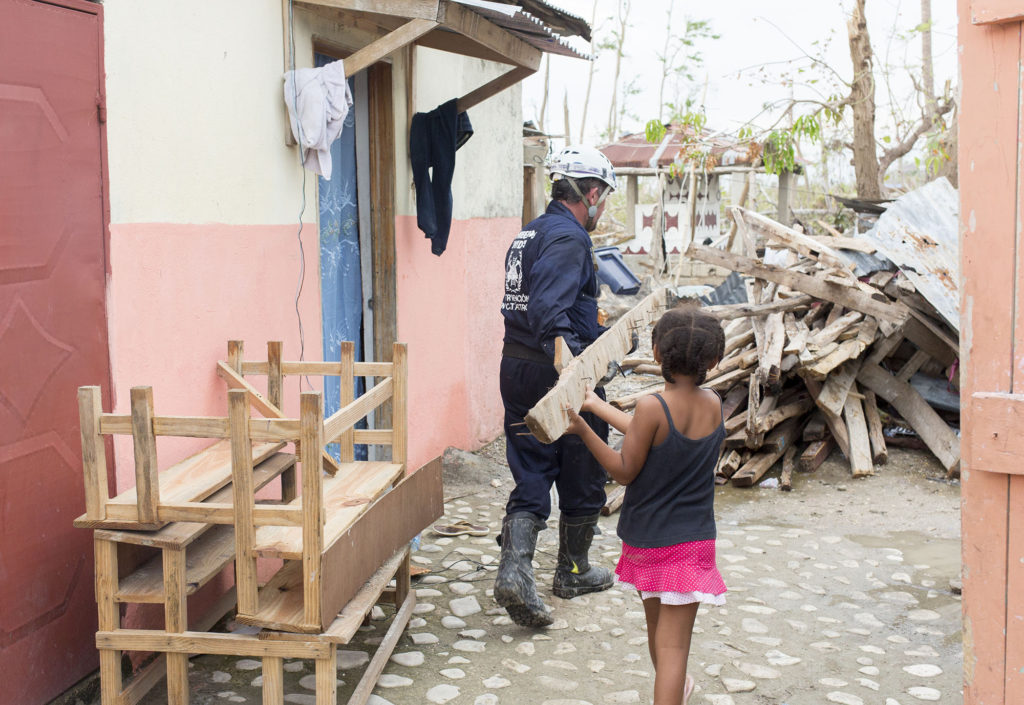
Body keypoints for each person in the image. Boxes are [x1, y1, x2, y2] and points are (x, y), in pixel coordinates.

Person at [565, 307, 728, 705]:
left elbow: (625, 469)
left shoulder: (653, 407)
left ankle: (675, 690)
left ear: (656, 352)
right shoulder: (713, 403)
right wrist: (597, 406)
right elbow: (652, 435)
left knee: (659, 637)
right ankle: (676, 689)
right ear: (713, 360)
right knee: (674, 647)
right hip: (690, 545)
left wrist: (584, 429)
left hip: (646, 542)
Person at [494, 145, 619, 628]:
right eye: (604, 196)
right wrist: (574, 372)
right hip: (557, 370)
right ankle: (573, 571)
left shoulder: (531, 232)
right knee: (583, 464)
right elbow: (548, 308)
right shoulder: (570, 238)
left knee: (531, 466)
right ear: (592, 193)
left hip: (517, 366)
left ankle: (514, 572)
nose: (602, 206)